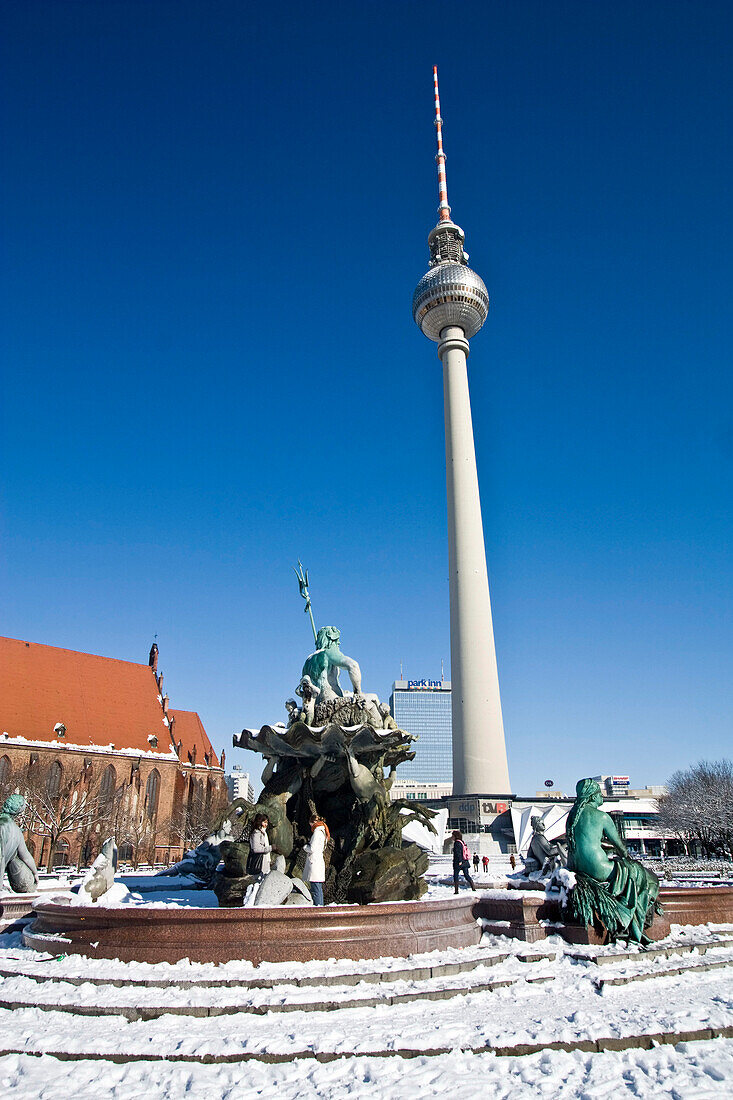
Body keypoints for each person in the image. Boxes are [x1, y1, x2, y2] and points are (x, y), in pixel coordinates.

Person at [303, 814, 329, 906]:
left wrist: (305, 846)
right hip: (318, 861)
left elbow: (312, 848)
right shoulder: (323, 831)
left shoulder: (317, 832)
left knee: (315, 888)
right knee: (318, 888)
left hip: (314, 862)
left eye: (310, 824)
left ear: (313, 822)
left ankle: (318, 907)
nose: (310, 826)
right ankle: (320, 906)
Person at [246, 813, 272, 877]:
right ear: (260, 822)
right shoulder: (256, 833)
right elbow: (256, 848)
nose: (266, 824)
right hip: (259, 862)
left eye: (267, 822)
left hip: (264, 860)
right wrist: (270, 848)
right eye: (264, 822)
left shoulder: (263, 833)